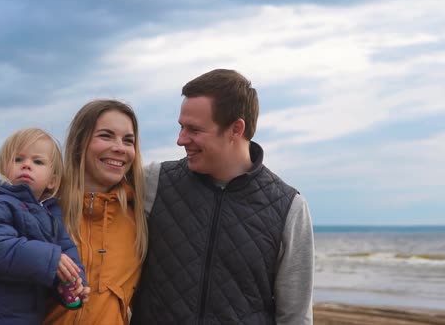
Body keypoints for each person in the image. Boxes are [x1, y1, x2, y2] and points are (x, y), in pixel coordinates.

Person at [131, 69, 315, 325]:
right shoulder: (153, 181)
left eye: (194, 129)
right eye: (181, 127)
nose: (181, 139)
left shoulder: (289, 208)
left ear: (235, 129)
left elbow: (295, 316)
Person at [0, 100, 148, 325]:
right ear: (80, 143)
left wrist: (72, 292)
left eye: (128, 140)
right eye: (106, 136)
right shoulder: (38, 213)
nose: (119, 147)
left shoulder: (138, 221)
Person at [0, 128, 89, 325]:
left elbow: (67, 253)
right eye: (18, 159)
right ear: (2, 169)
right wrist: (50, 259)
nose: (27, 165)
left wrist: (73, 284)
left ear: (53, 180)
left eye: (37, 161)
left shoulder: (50, 218)